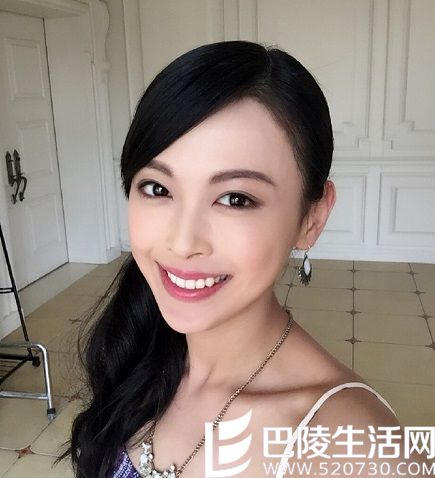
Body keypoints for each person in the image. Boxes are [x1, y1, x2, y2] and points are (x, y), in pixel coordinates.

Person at [56, 40, 432, 477]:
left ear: (312, 218)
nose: (183, 242)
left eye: (235, 198)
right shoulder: (139, 353)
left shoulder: (358, 450)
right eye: (158, 188)